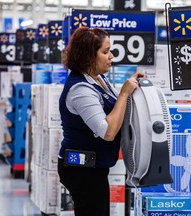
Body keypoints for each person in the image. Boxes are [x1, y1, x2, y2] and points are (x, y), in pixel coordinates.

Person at [57, 27, 145, 216]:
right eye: (105, 52)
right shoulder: (80, 89)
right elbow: (108, 132)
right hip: (81, 169)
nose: (111, 56)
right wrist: (124, 93)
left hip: (94, 167)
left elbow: (116, 108)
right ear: (88, 56)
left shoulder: (98, 79)